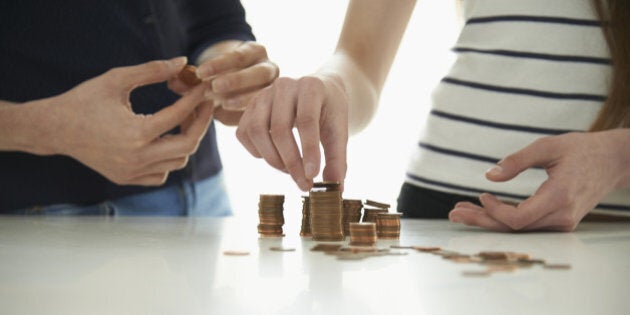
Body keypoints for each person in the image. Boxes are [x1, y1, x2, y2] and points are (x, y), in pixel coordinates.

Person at [234, 0, 630, 232]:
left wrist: (618, 156)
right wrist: (331, 85)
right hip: (441, 206)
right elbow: (359, 57)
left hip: (609, 227)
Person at [0, 1, 278, 215]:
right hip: (50, 215)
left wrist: (229, 66)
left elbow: (214, 18)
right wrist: (48, 128)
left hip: (206, 199)